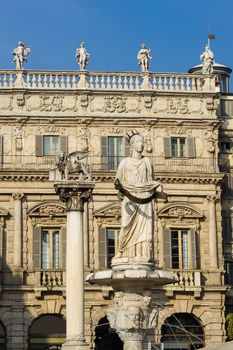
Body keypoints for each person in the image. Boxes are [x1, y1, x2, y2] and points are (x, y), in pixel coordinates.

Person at [113, 131, 163, 262]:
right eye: (139, 142)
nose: (142, 144)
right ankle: (122, 251)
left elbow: (151, 181)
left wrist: (157, 186)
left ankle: (143, 253)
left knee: (146, 230)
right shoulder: (124, 163)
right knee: (125, 225)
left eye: (142, 142)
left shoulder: (147, 162)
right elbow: (118, 182)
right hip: (129, 199)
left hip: (145, 198)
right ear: (132, 145)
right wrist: (118, 186)